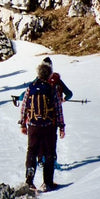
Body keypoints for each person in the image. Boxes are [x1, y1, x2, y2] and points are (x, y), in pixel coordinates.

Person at [19, 61, 66, 190]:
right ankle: (48, 183)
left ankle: (29, 181)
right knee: (49, 153)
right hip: (48, 126)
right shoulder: (52, 89)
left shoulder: (31, 88)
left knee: (32, 151)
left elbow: (24, 107)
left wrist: (23, 123)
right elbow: (58, 109)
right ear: (49, 75)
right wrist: (61, 127)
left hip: (33, 125)